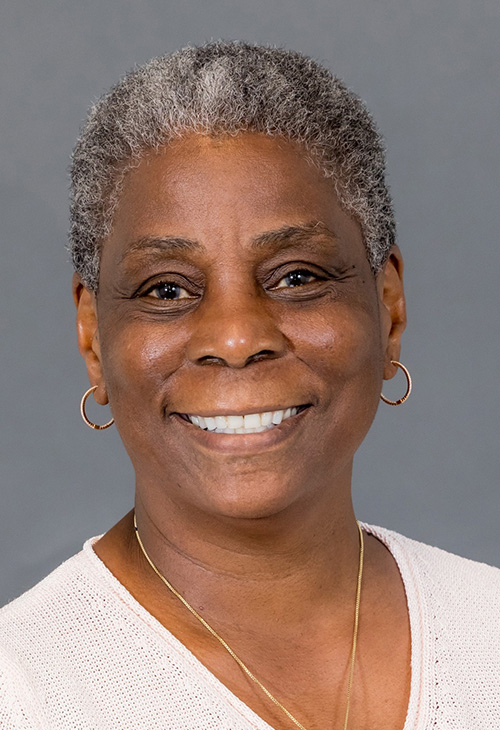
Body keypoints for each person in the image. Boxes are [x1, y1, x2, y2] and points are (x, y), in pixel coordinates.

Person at [0, 40, 498, 730]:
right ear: (92, 337)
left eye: (298, 276)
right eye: (166, 288)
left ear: (389, 306)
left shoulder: (489, 633)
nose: (236, 339)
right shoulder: (21, 692)